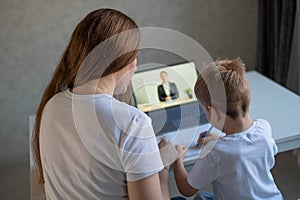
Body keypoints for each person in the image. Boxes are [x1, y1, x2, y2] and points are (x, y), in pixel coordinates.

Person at [32, 8, 173, 200]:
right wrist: (162, 168)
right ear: (128, 62)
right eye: (135, 57)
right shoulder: (134, 122)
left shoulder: (51, 105)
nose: (136, 66)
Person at [171, 58, 283, 200]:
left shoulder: (215, 152)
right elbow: (247, 150)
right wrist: (222, 140)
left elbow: (186, 189)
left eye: (204, 110)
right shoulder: (264, 128)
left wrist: (177, 160)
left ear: (214, 112)